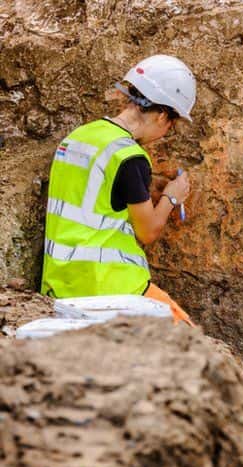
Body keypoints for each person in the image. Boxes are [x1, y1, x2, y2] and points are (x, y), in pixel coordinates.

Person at [40, 55, 196, 324]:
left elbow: (93, 196)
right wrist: (172, 197)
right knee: (193, 345)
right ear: (161, 115)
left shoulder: (78, 137)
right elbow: (148, 231)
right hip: (111, 287)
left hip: (60, 286)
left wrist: (143, 188)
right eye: (170, 125)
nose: (166, 132)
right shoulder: (129, 156)